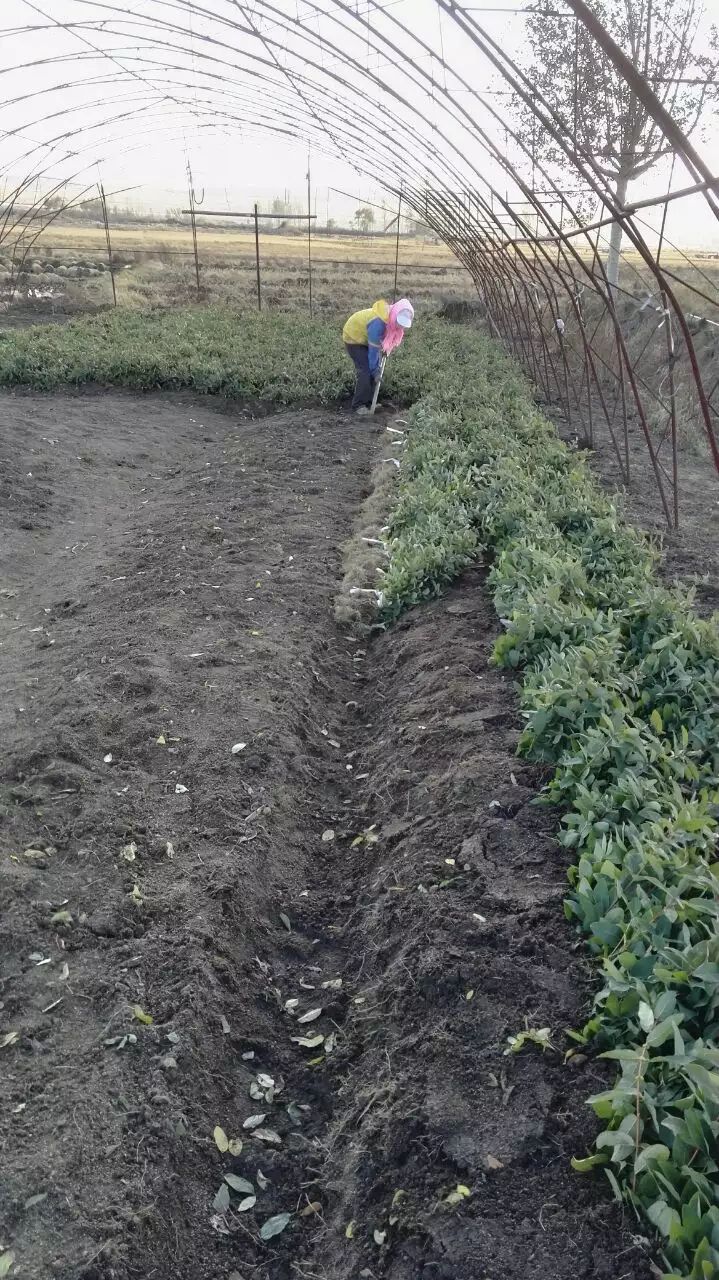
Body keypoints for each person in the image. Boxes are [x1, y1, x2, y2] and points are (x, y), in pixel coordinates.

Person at [342, 297, 414, 415]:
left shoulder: (391, 321)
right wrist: (375, 370)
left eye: (403, 325)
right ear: (395, 314)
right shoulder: (379, 322)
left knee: (375, 369)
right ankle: (358, 405)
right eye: (399, 322)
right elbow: (373, 351)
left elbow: (386, 338)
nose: (400, 326)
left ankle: (370, 402)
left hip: (366, 338)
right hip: (353, 336)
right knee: (365, 370)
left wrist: (384, 352)